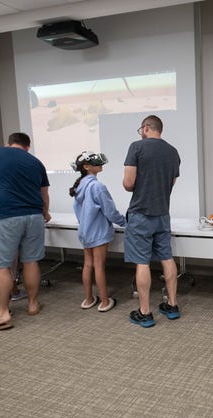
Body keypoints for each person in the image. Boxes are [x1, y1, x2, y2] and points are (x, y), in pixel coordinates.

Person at [0, 132, 51, 331]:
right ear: (27, 147)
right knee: (30, 261)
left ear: (9, 143)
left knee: (0, 266)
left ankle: (2, 313)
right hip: (33, 216)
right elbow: (44, 195)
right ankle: (32, 304)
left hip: (6, 215)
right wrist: (45, 214)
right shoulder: (36, 162)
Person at [123, 115, 181, 327]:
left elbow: (129, 183)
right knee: (166, 257)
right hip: (163, 215)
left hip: (141, 214)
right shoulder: (173, 152)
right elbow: (171, 182)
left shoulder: (137, 147)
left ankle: (145, 312)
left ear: (146, 128)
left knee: (142, 262)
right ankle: (172, 305)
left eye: (141, 129)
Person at [70, 151, 125, 312]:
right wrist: (124, 222)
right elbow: (110, 211)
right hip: (99, 232)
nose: (99, 164)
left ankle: (88, 299)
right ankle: (105, 301)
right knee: (99, 266)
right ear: (86, 167)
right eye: (95, 163)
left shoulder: (79, 186)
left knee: (88, 265)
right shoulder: (97, 186)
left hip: (85, 232)